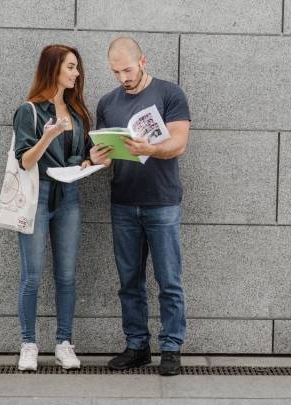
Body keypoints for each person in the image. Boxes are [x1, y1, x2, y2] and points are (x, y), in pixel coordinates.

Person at [89, 37, 191, 376]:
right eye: (116, 72)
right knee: (129, 281)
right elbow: (105, 156)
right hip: (123, 202)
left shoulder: (169, 94)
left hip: (161, 202)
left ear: (143, 61)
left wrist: (151, 147)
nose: (122, 78)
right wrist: (95, 158)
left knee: (168, 280)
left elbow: (178, 143)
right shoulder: (107, 102)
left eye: (127, 70)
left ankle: (171, 348)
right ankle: (137, 346)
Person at [13, 44, 93, 371]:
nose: (76, 73)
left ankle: (64, 343)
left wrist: (90, 161)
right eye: (71, 67)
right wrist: (47, 137)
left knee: (67, 276)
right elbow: (25, 160)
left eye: (76, 67)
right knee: (32, 275)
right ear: (54, 68)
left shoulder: (77, 114)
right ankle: (29, 344)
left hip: (69, 197)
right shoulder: (29, 111)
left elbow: (81, 154)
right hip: (37, 197)